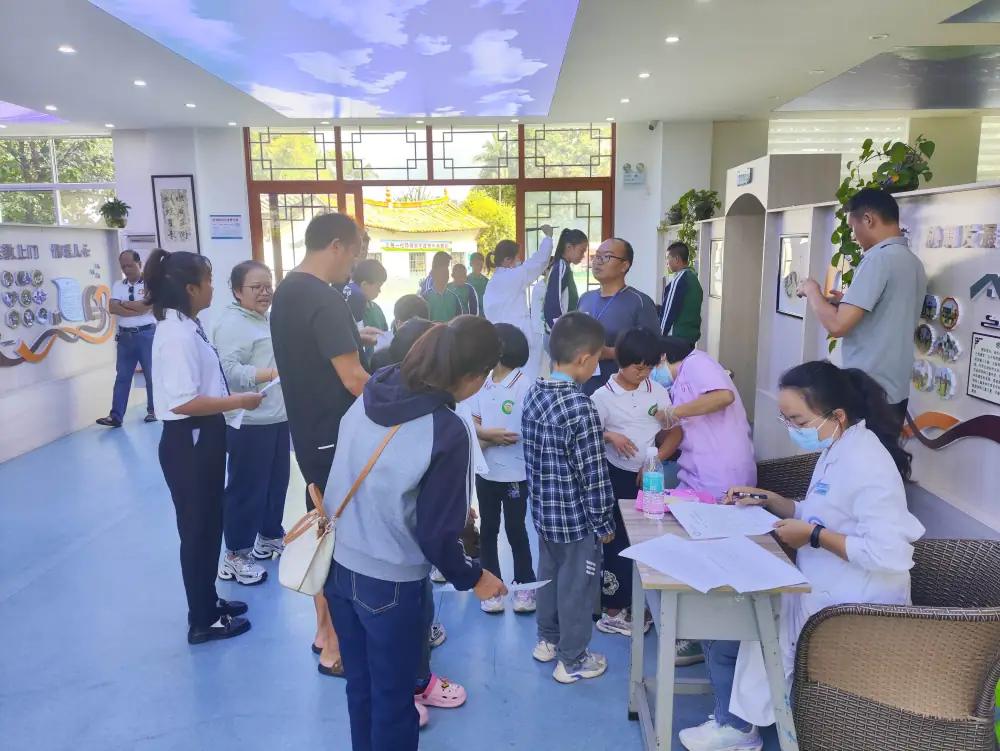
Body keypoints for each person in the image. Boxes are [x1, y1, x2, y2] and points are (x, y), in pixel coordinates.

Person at [678, 361, 924, 751]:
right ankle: (737, 723)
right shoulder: (838, 447)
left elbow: (888, 552)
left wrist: (813, 536)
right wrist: (771, 500)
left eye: (797, 420)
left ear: (837, 416)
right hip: (819, 585)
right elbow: (820, 510)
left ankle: (737, 728)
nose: (792, 429)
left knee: (740, 625)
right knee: (734, 622)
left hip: (852, 608)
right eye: (786, 419)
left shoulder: (867, 463)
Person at [326, 316, 507, 750]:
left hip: (338, 564)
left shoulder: (375, 389)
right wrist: (475, 577)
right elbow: (438, 535)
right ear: (474, 375)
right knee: (394, 700)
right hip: (390, 583)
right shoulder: (446, 429)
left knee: (361, 688)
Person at [270, 212, 374, 678]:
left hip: (309, 433)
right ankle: (334, 647)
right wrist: (408, 399)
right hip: (336, 436)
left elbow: (311, 354)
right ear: (336, 245)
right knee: (338, 539)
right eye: (354, 254)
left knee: (322, 527)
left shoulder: (288, 290)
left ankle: (322, 632)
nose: (354, 264)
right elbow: (354, 379)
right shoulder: (325, 298)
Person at [145, 248, 264, 644]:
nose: (213, 288)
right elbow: (183, 402)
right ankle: (202, 620)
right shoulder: (176, 335)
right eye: (209, 281)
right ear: (190, 289)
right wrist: (239, 401)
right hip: (190, 439)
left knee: (209, 526)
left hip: (203, 435)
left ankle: (208, 600)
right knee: (198, 532)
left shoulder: (186, 325)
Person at [522, 311, 616, 684]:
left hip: (543, 514)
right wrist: (604, 522)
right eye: (597, 361)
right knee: (577, 587)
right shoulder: (581, 407)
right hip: (576, 522)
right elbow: (593, 475)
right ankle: (573, 660)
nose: (596, 368)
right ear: (583, 359)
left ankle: (547, 640)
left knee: (548, 577)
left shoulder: (534, 393)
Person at [796, 188, 927, 432]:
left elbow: (837, 326)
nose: (854, 236)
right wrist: (847, 302)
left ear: (868, 219)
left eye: (852, 227)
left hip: (868, 390)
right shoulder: (911, 261)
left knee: (858, 454)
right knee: (884, 453)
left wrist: (812, 290)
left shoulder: (878, 258)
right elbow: (888, 313)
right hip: (895, 390)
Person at [590, 328, 674, 638]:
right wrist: (611, 436)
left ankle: (638, 601)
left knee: (647, 539)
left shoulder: (657, 391)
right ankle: (613, 610)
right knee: (616, 542)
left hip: (648, 477)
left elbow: (673, 432)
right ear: (621, 362)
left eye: (649, 367)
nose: (644, 373)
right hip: (615, 475)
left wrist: (655, 459)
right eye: (638, 367)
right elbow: (588, 435)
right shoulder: (602, 397)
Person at [211, 260, 286, 587]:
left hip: (276, 416)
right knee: (246, 491)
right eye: (256, 287)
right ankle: (235, 555)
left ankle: (268, 537)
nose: (265, 292)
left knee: (275, 484)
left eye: (268, 286)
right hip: (249, 420)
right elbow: (228, 371)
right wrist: (271, 374)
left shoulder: (263, 319)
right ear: (237, 291)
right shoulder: (231, 324)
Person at [467, 323, 536, 614]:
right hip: (486, 472)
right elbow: (473, 422)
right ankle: (491, 587)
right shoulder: (482, 382)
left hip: (515, 474)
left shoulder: (525, 384)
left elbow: (517, 432)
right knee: (488, 530)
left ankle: (524, 585)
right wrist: (488, 438)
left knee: (516, 530)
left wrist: (486, 437)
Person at [658, 336, 756, 499]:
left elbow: (724, 396)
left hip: (720, 469)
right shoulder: (677, 382)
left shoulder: (696, 362)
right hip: (695, 469)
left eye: (651, 367)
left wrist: (674, 412)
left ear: (663, 356)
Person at [577, 238, 660, 395]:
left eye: (606, 256)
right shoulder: (585, 298)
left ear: (624, 265)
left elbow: (653, 349)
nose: (597, 261)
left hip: (622, 394)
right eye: (596, 256)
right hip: (583, 389)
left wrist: (607, 353)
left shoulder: (639, 302)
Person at [483, 230, 554, 381]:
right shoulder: (512, 276)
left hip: (499, 339)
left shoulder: (492, 282)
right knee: (525, 380)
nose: (520, 261)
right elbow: (539, 261)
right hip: (518, 340)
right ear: (508, 260)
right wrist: (548, 238)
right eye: (517, 257)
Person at [97, 250, 157, 427]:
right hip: (125, 337)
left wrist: (124, 304)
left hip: (146, 334)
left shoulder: (150, 283)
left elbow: (146, 307)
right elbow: (113, 308)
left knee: (151, 374)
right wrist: (135, 308)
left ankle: (153, 410)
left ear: (139, 263)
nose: (126, 270)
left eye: (130, 265)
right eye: (123, 266)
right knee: (122, 376)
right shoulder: (118, 285)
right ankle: (116, 416)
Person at [542, 228, 588, 339]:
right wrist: (561, 331)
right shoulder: (561, 267)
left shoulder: (563, 267)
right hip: (558, 334)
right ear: (569, 248)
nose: (583, 255)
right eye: (582, 250)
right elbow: (553, 301)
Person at [660, 241, 703, 344]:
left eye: (667, 258)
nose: (666, 262)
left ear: (676, 259)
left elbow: (668, 312)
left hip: (677, 339)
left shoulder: (678, 281)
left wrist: (659, 338)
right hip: (690, 339)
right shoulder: (693, 280)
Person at [352, 258, 389, 368]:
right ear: (364, 284)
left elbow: (385, 335)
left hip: (378, 367)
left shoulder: (377, 310)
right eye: (378, 287)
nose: (379, 291)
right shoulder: (348, 309)